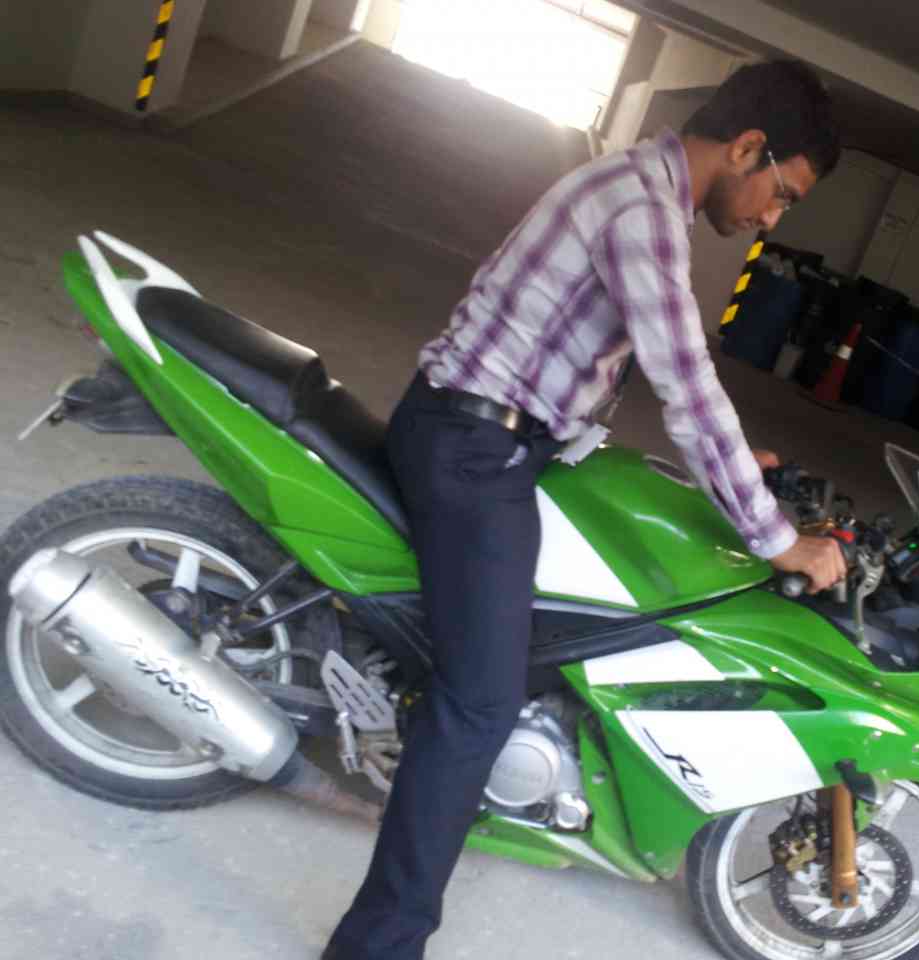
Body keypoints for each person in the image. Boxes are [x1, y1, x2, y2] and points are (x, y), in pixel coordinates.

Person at [323, 59, 846, 960]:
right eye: (783, 195)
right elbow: (686, 384)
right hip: (473, 448)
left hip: (495, 434)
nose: (771, 218)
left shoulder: (640, 187)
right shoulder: (643, 212)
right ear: (748, 149)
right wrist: (777, 539)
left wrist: (741, 477)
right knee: (479, 704)